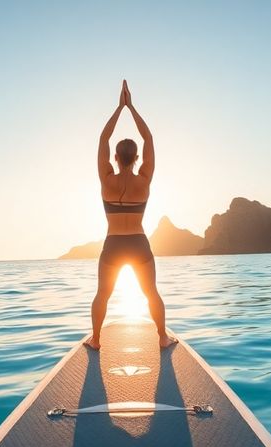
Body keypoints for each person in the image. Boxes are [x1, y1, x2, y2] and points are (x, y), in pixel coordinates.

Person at [85, 80, 177, 350]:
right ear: (137, 157)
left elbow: (103, 138)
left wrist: (119, 108)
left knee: (102, 294)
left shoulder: (106, 180)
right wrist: (132, 108)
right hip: (138, 243)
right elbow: (149, 138)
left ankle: (96, 339)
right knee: (151, 293)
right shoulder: (144, 180)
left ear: (115, 156)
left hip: (113, 243)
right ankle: (162, 338)